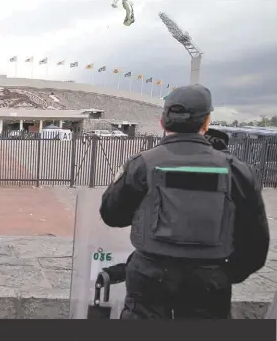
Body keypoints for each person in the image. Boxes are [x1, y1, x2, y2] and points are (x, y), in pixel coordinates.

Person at [99, 84, 270, 319]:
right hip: (210, 280)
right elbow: (255, 244)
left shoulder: (142, 164)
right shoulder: (236, 171)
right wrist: (224, 273)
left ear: (163, 122)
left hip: (149, 276)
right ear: (207, 122)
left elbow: (112, 215)